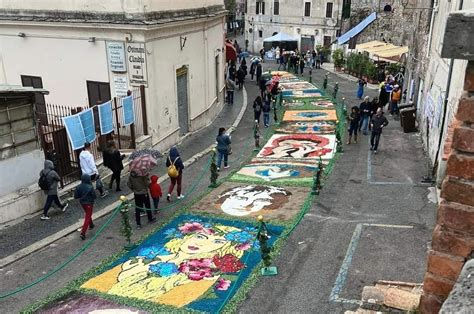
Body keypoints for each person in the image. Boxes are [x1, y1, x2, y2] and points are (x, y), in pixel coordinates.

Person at [74, 174, 96, 240]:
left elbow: (75, 196)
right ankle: (83, 233)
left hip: (82, 203)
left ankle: (91, 224)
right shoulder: (90, 187)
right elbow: (94, 196)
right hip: (89, 203)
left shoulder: (78, 187)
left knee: (88, 214)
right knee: (87, 216)